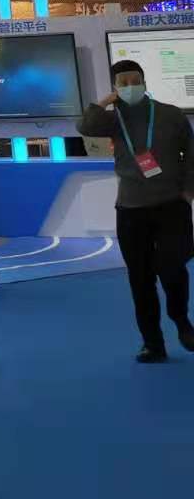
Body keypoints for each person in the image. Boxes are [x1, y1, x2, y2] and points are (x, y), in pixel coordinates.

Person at [78, 60, 194, 362]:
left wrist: (189, 191)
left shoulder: (171, 114)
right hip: (131, 210)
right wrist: (105, 101)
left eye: (135, 80)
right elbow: (85, 126)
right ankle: (152, 343)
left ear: (144, 81)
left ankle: (181, 321)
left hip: (172, 206)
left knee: (172, 268)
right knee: (140, 279)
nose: (131, 86)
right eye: (123, 82)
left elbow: (192, 153)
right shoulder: (112, 119)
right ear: (115, 87)